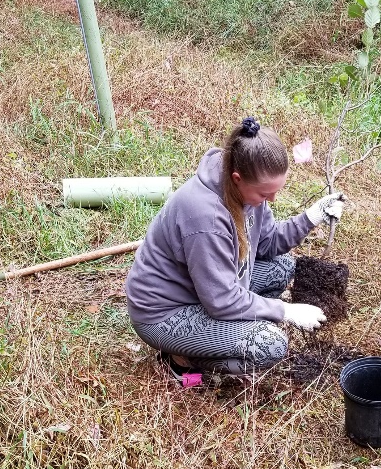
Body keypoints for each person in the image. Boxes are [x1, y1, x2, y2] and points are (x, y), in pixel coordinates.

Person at [125, 117, 345, 386]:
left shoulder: (246, 189)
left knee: (282, 268)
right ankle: (179, 359)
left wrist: (311, 217)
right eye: (265, 195)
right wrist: (284, 311)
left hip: (202, 292)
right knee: (270, 344)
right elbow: (221, 300)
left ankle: (218, 338)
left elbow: (267, 244)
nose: (271, 200)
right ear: (237, 178)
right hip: (166, 313)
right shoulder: (205, 218)